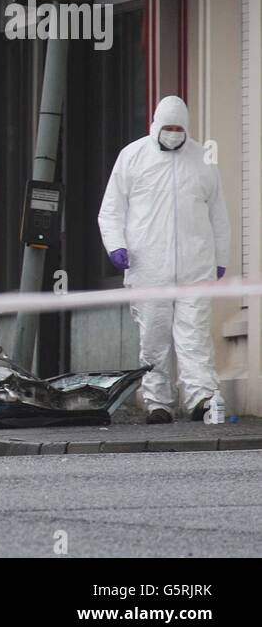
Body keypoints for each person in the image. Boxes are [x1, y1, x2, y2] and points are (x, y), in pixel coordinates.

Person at [98, 96, 230, 424]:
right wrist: (116, 245)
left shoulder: (202, 159)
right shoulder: (132, 157)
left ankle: (201, 397)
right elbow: (111, 209)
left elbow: (218, 215)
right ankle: (158, 401)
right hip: (148, 265)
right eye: (167, 127)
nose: (173, 133)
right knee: (154, 336)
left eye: (178, 128)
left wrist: (220, 258)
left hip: (195, 265)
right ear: (154, 125)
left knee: (194, 334)